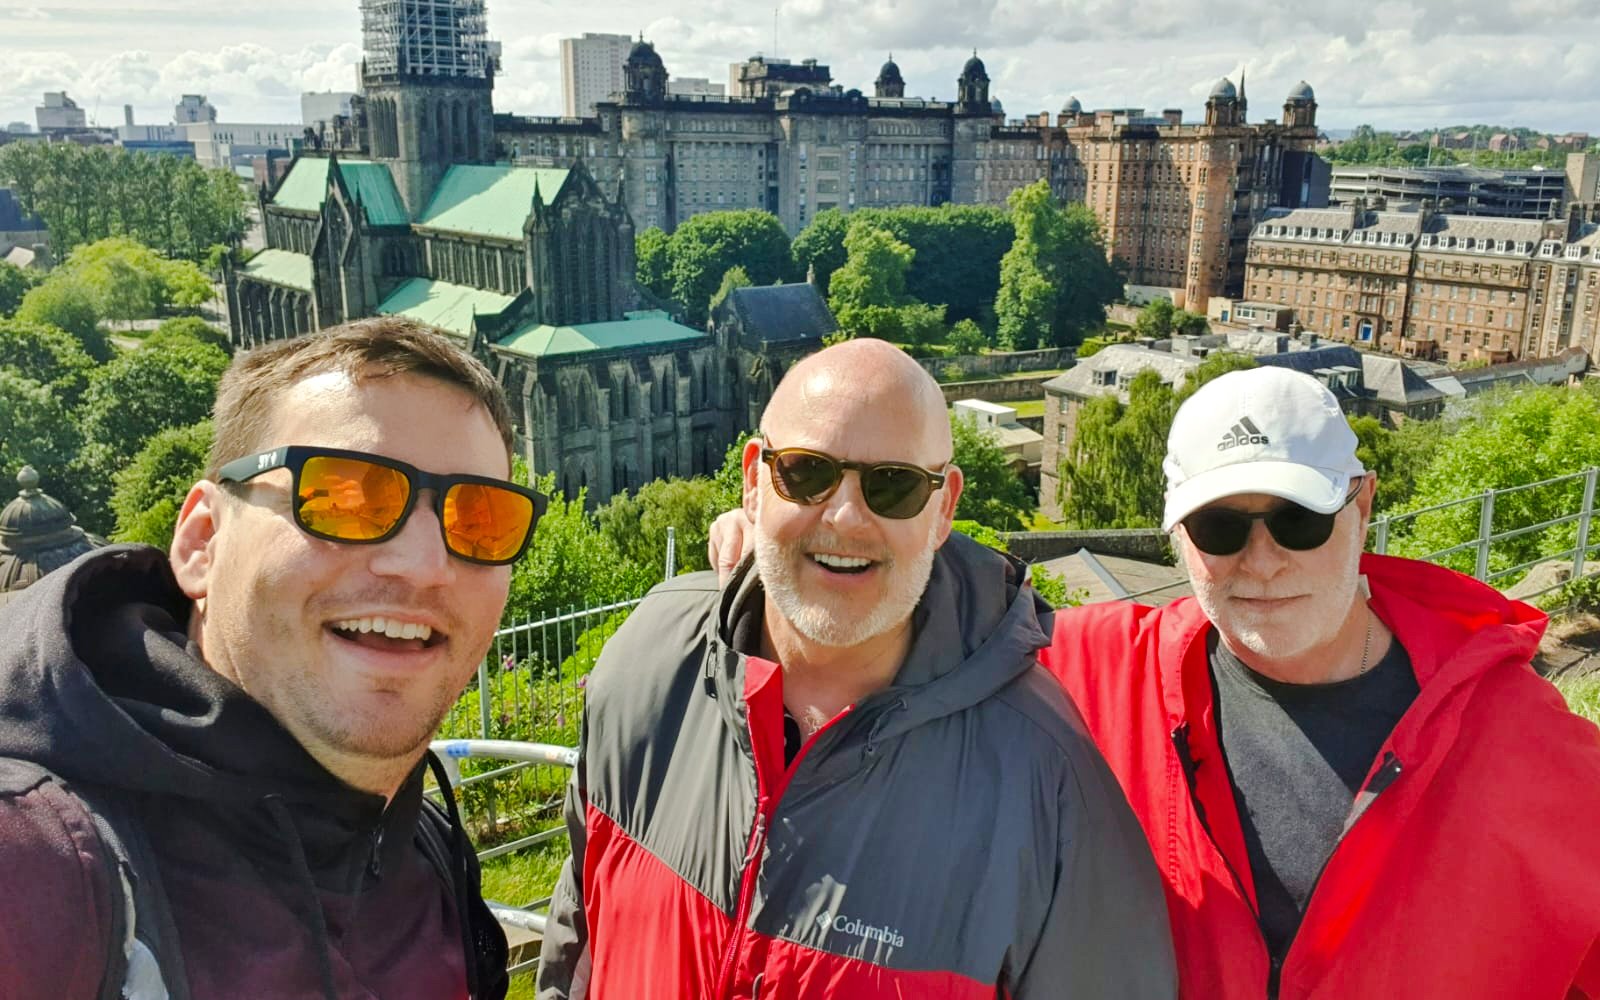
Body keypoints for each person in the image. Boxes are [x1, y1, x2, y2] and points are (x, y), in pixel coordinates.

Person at [712, 365, 1600, 999]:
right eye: (1218, 527)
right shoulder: (1096, 667)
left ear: (1362, 506)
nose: (1260, 561)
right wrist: (792, 541)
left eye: (1297, 520)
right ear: (1175, 538)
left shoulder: (1540, 755)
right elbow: (925, 614)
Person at [538, 338, 1176, 998]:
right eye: (808, 473)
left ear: (943, 509)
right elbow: (580, 937)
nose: (844, 516)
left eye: (892, 485)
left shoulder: (1048, 777)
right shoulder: (649, 659)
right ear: (754, 483)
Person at [0, 318, 547, 999]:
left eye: (480, 519)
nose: (424, 565)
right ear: (203, 542)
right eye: (345, 495)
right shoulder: (45, 860)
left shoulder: (423, 851)